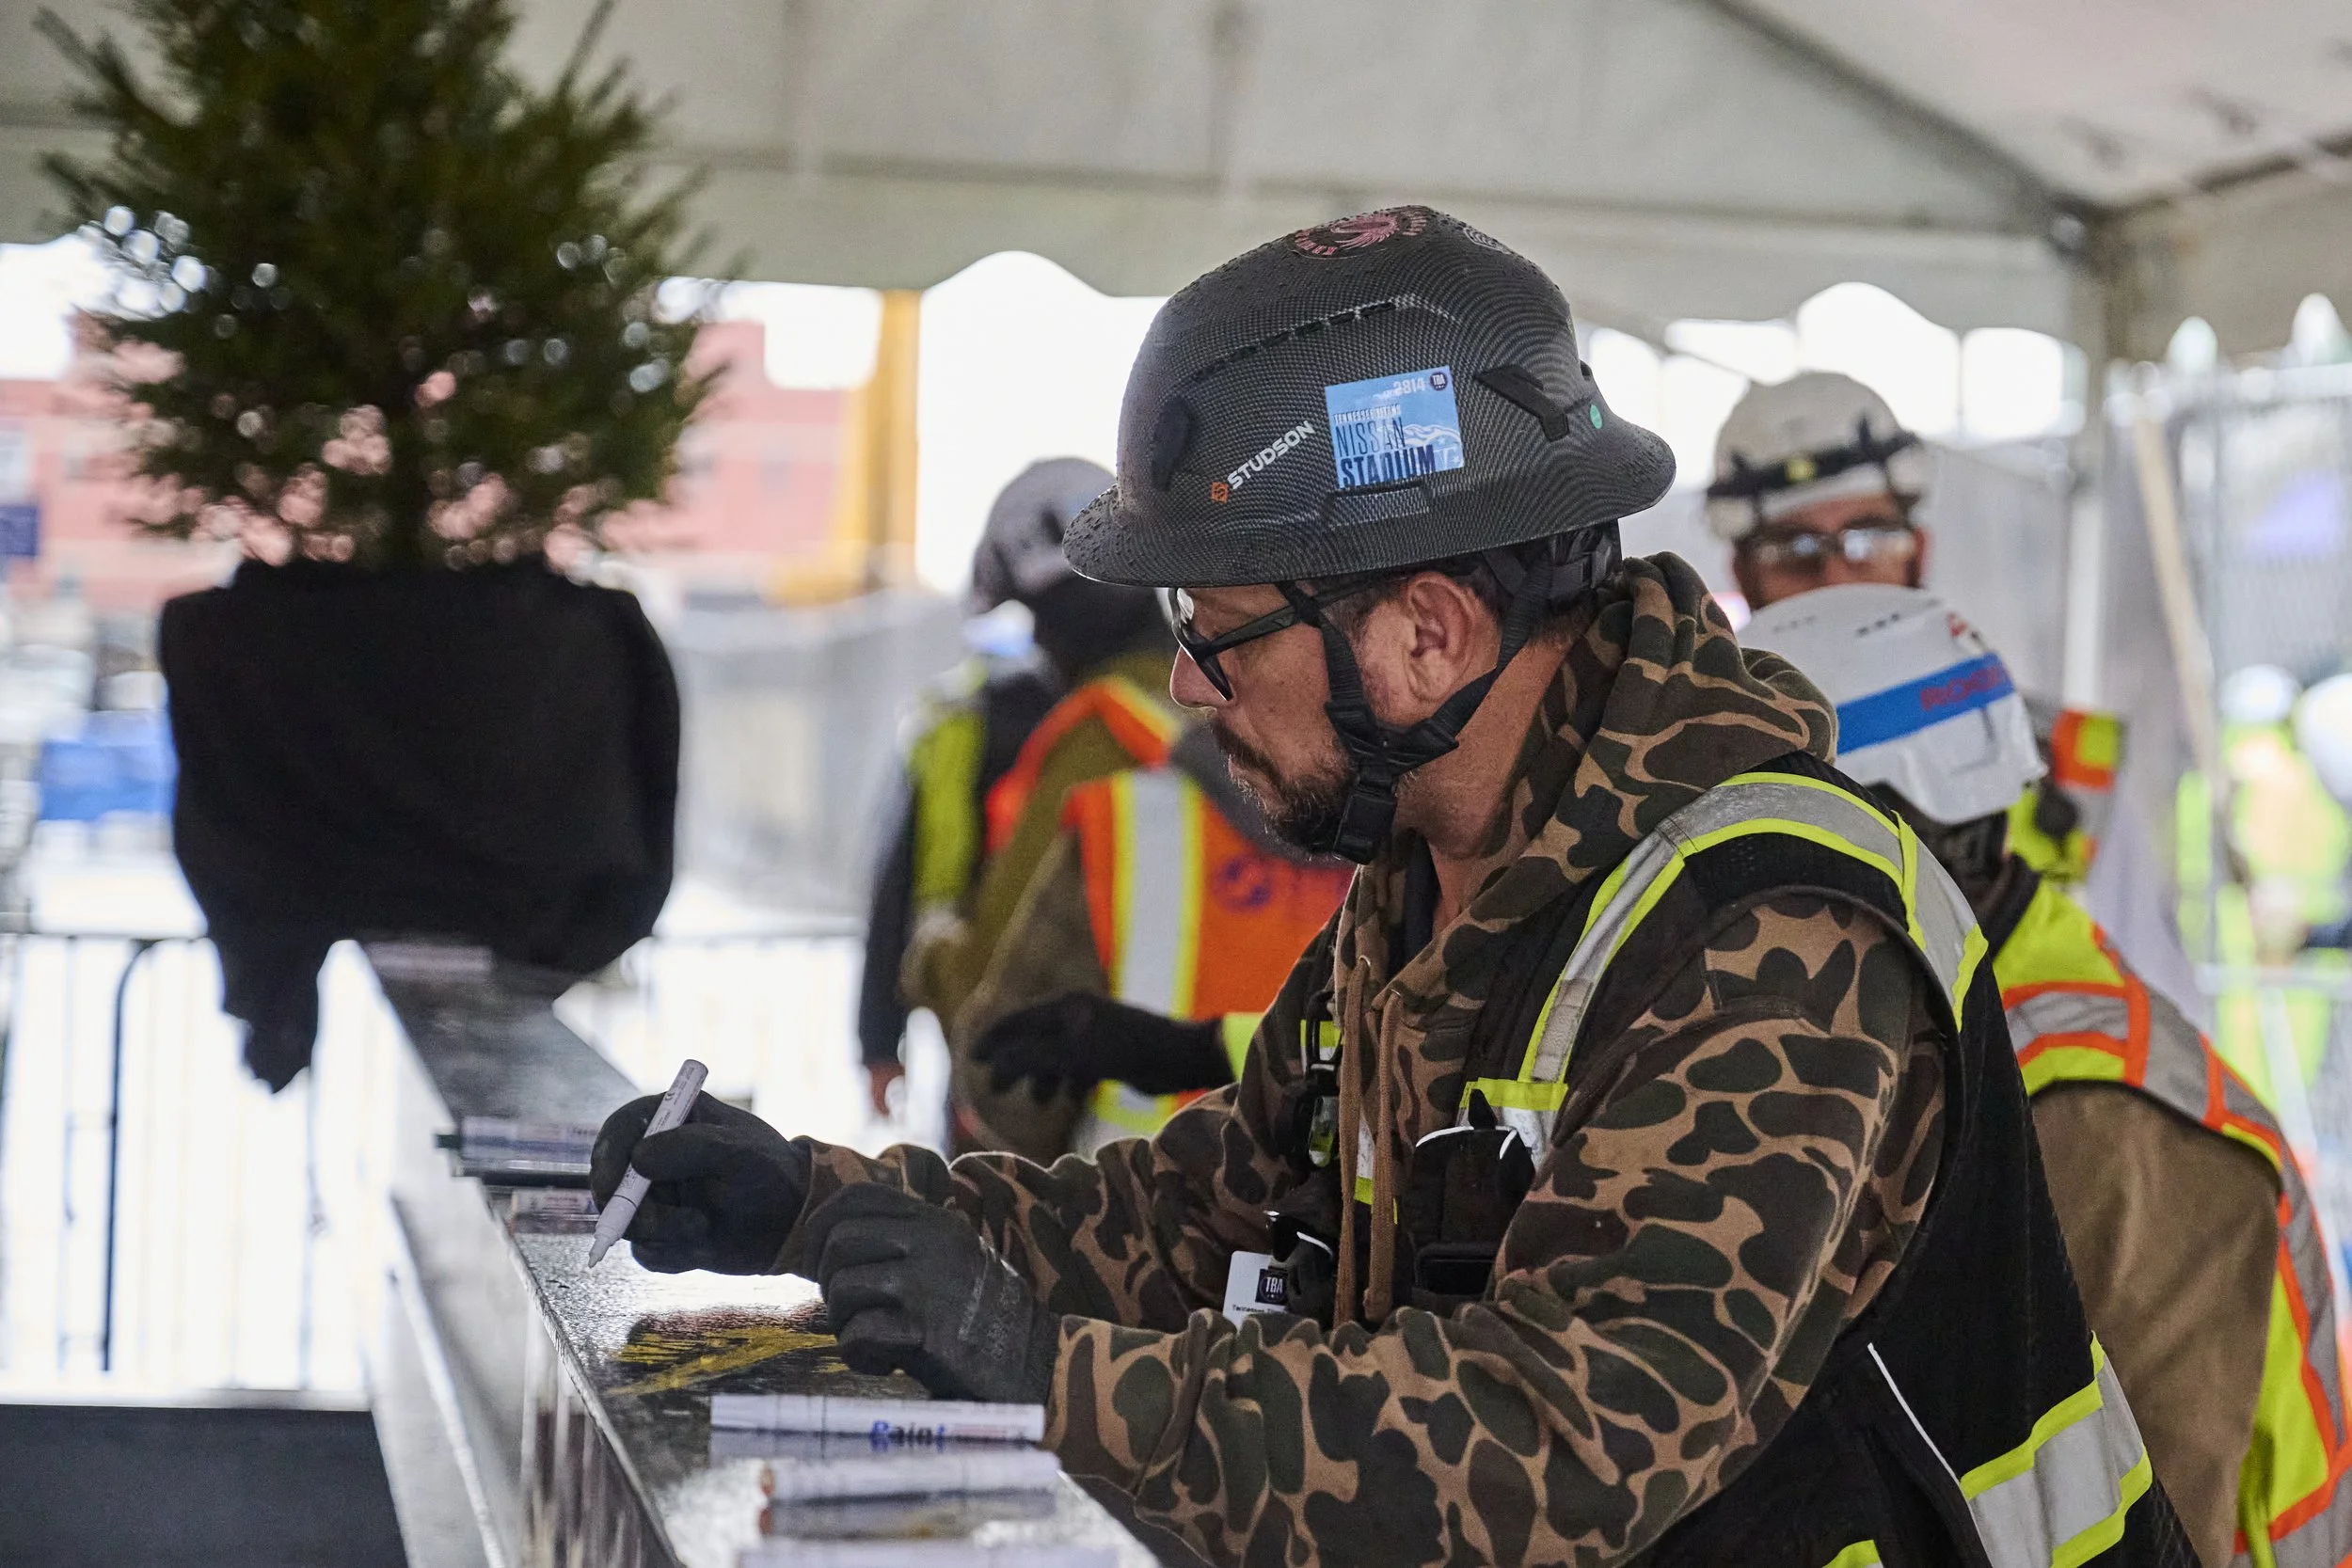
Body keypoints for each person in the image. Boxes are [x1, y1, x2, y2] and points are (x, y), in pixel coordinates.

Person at [594, 208, 2186, 1566]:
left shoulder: (1772, 927)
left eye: (1218, 637)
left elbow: (1565, 1431)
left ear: (1427, 633)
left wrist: (1040, 1375)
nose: (1192, 694)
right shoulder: (1444, 870)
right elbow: (1194, 1213)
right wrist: (821, 1203)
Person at [1742, 583, 2351, 1568]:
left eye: (1792, 841)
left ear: (1950, 835)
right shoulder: (1926, 1032)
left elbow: (2143, 1532)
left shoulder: (2105, 1119)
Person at [890, 462, 1179, 1148]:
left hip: (1090, 1178)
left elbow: (995, 995)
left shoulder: (1095, 740)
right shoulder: (1224, 716)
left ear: (1056, 616)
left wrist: (930, 949)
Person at [957, 720, 1352, 1160]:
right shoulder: (1424, 847)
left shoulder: (1128, 818)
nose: (1185, 679)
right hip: (1349, 1215)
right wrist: (1204, 1051)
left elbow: (1010, 1084)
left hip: (1141, 1210)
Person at [854, 460, 1095, 1117]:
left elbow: (894, 884)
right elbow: (898, 879)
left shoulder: (1108, 725)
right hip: (985, 1013)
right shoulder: (970, 722)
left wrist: (880, 1041)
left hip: (989, 1012)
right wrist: (880, 1038)